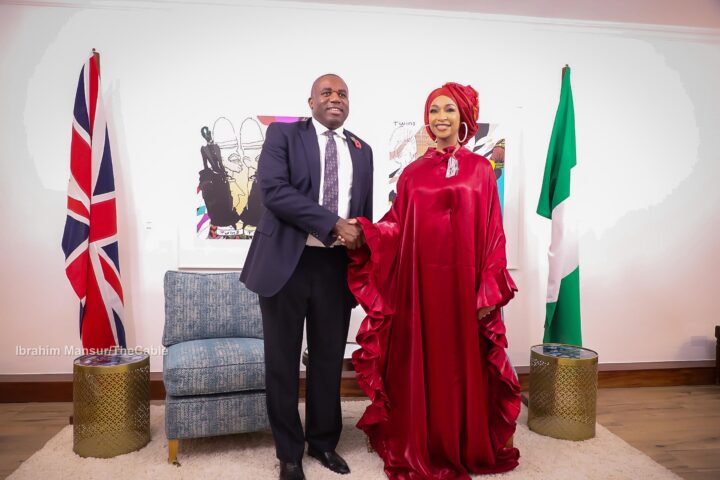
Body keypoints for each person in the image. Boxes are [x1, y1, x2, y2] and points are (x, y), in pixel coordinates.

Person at [347, 82, 521, 479]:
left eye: (448, 110)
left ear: (463, 118)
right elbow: (396, 227)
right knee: (422, 361)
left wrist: (490, 287)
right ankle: (421, 439)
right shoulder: (411, 173)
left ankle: (463, 440)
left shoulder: (481, 171)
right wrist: (366, 233)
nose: (440, 117)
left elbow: (494, 231)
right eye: (434, 111)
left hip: (466, 291)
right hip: (419, 290)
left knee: (464, 365)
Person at [241, 73, 374, 480]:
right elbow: (274, 191)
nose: (336, 98)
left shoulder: (362, 149)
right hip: (286, 262)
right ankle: (288, 452)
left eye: (343, 94)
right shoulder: (283, 136)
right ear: (311, 101)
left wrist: (366, 240)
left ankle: (322, 443)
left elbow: (363, 211)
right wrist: (333, 223)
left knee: (328, 359)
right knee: (281, 362)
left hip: (335, 269)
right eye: (327, 93)